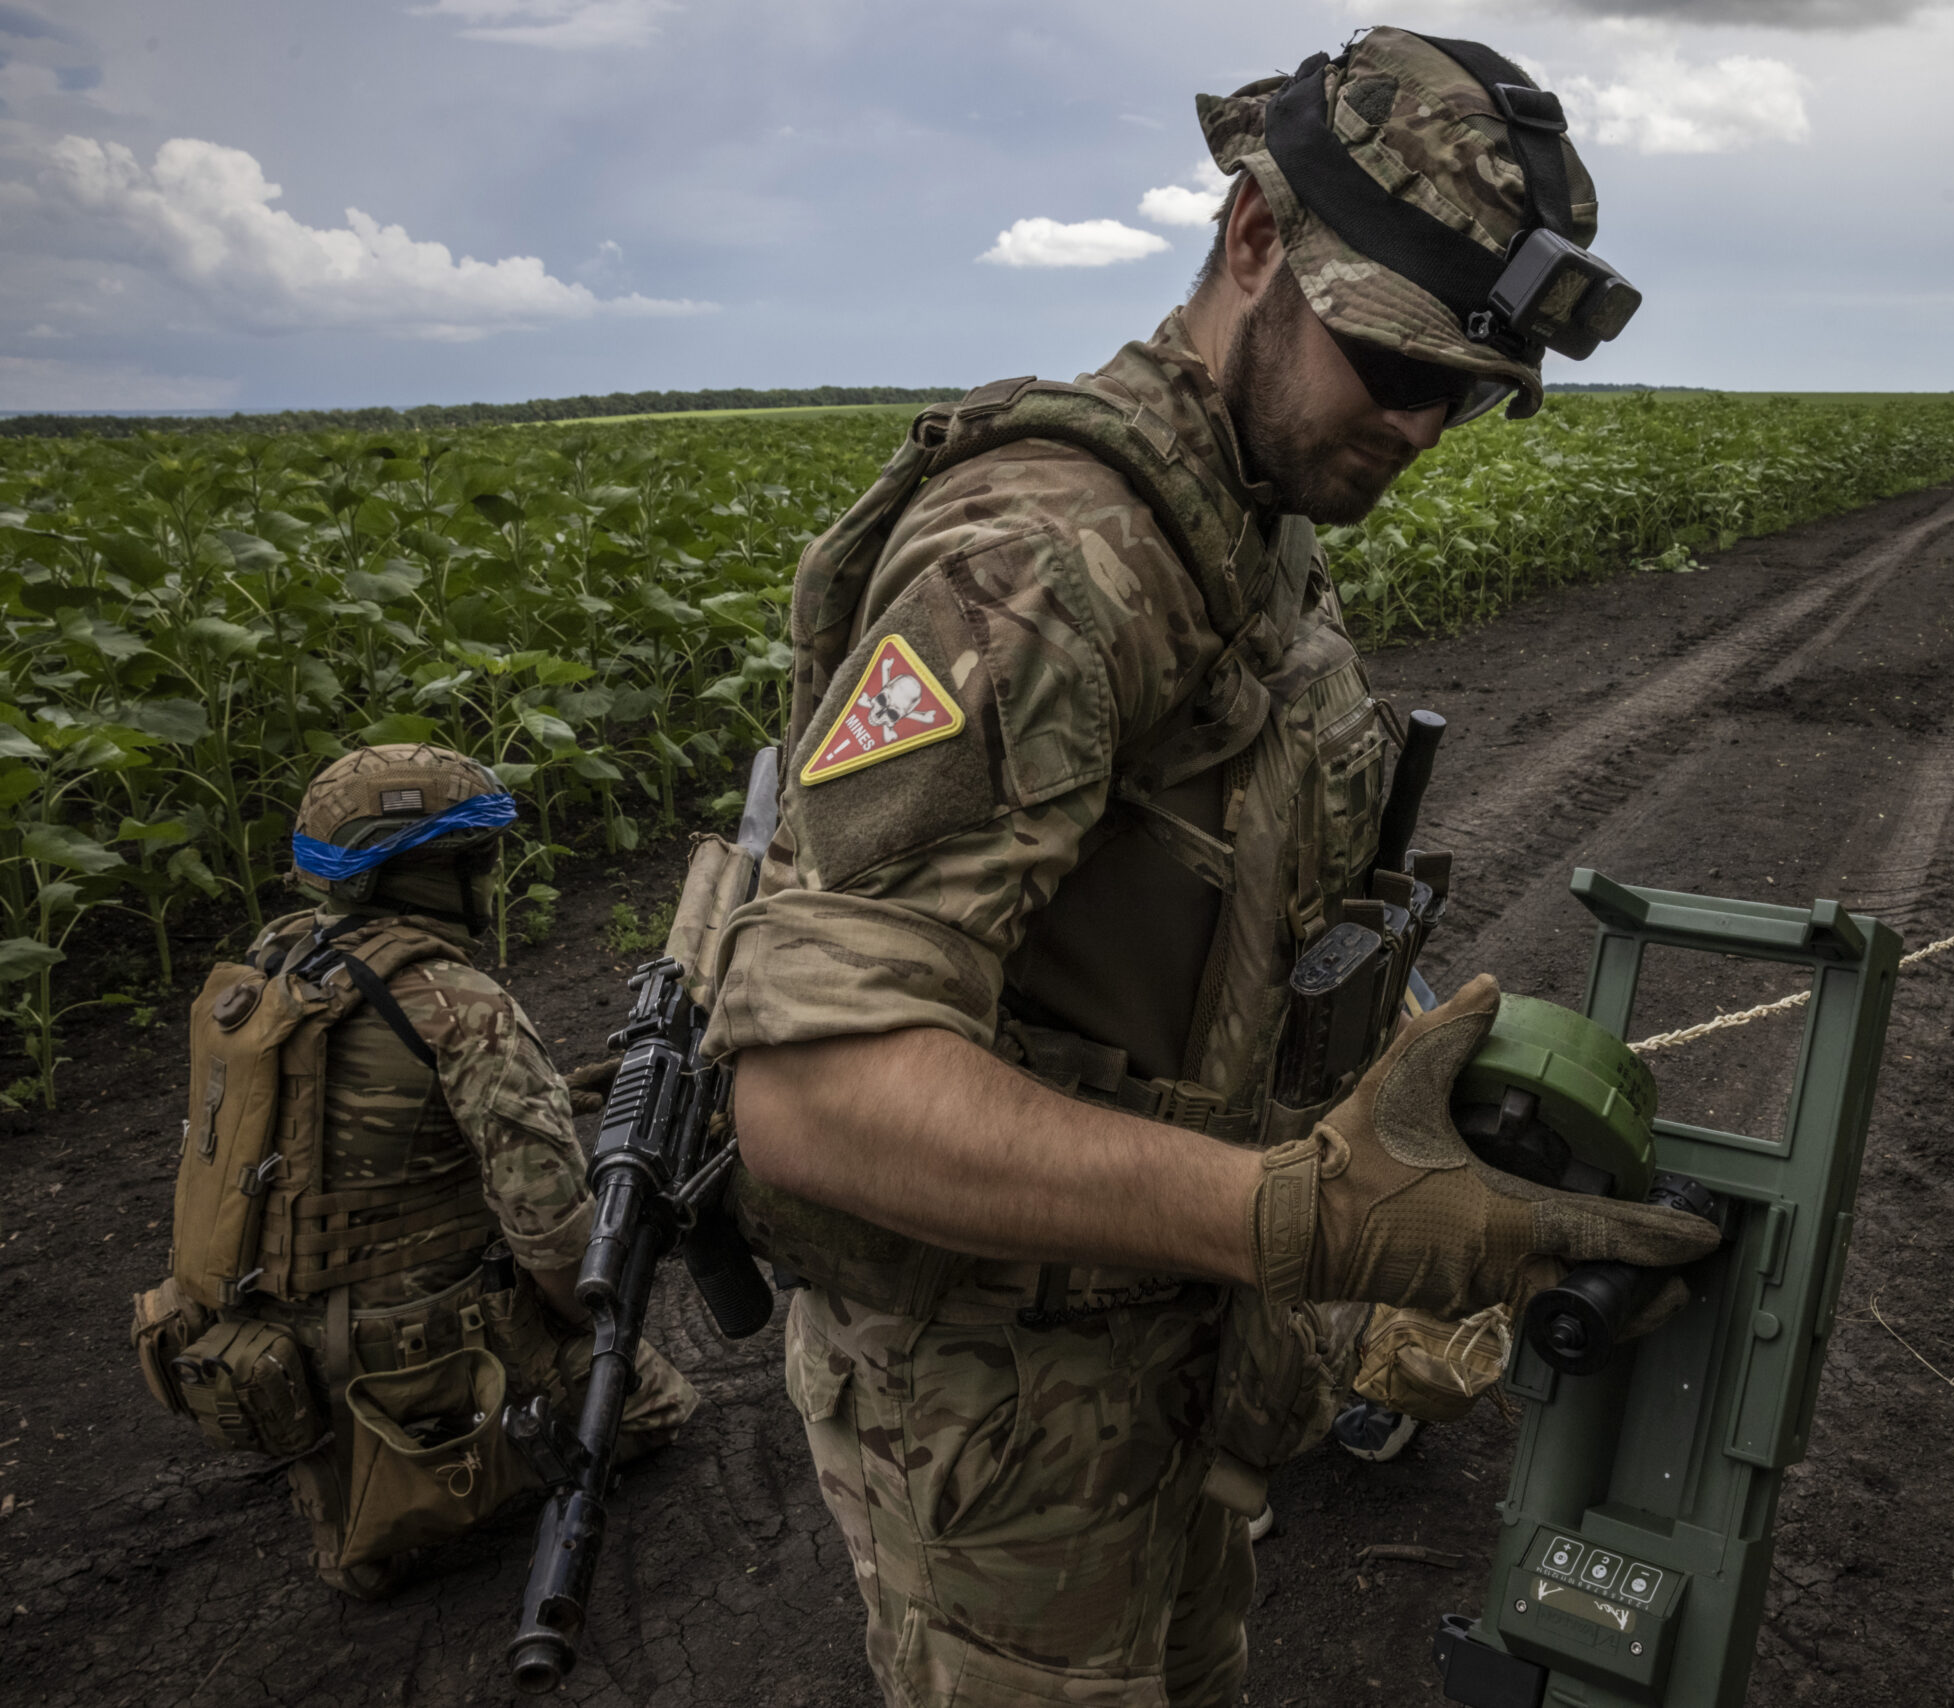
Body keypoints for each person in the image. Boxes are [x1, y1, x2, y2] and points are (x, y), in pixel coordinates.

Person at [704, 28, 1710, 1706]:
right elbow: (813, 1091)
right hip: (1004, 1415)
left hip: (1179, 1346)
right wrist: (1296, 1213)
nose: (1424, 424)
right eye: (1398, 365)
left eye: (1469, 391)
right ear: (1256, 240)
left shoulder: (1254, 518)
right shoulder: (1043, 565)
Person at [131, 743, 696, 1599]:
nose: (491, 879)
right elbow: (558, 1253)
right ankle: (438, 1465)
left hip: (259, 1351)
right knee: (654, 1401)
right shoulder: (459, 1007)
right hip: (407, 1352)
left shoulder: (272, 973)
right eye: (476, 860)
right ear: (432, 874)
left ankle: (350, 1487)